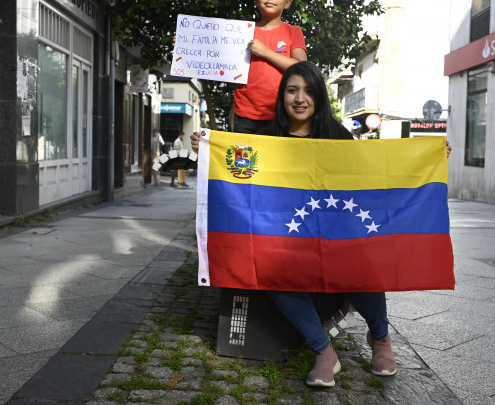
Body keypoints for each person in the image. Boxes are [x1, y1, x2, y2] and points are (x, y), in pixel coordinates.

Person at [192, 61, 452, 388]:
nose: (300, 98)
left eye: (309, 91)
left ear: (319, 97)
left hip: (337, 228)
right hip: (287, 236)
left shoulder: (338, 135)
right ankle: (323, 350)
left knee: (364, 264)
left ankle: (381, 337)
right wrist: (206, 152)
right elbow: (234, 168)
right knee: (271, 270)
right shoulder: (264, 138)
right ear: (282, 96)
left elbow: (374, 173)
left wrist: (428, 155)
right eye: (292, 90)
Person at [234, 0, 308, 134]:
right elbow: (220, 58)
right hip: (244, 115)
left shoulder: (293, 31)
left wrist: (265, 52)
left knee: (276, 161)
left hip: (282, 113)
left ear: (288, 2)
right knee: (244, 161)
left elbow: (301, 68)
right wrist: (187, 46)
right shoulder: (241, 32)